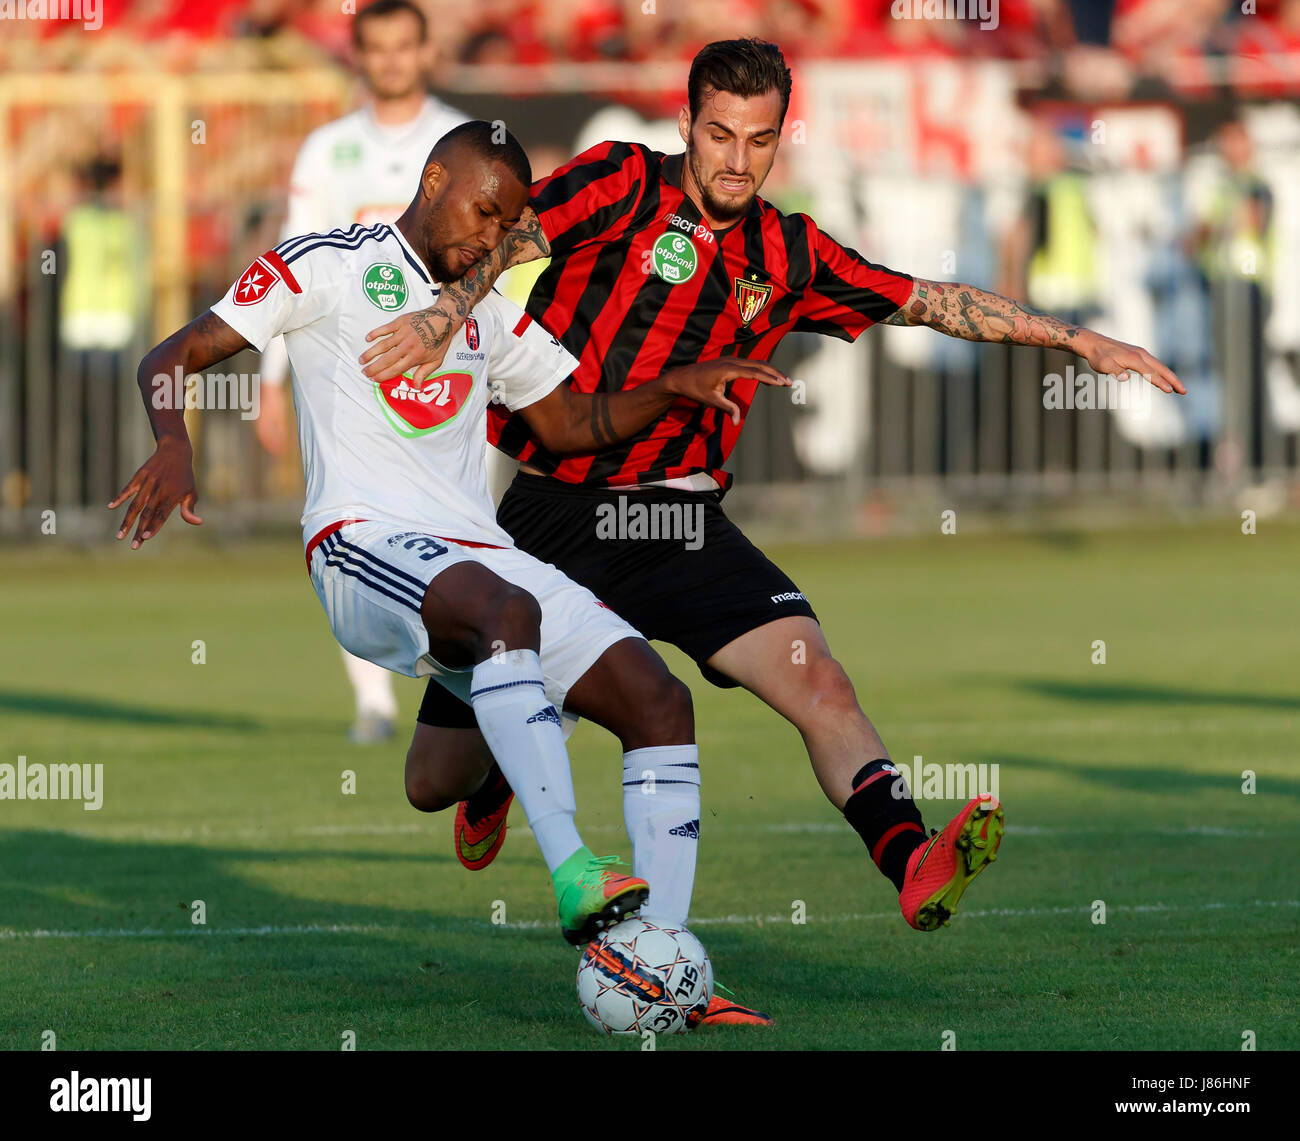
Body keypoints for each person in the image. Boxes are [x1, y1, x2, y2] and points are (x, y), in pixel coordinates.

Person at [358, 39, 1185, 969]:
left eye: (758, 140)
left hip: (683, 526)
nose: (737, 160)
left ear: (781, 140)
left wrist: (1078, 339)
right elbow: (513, 236)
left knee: (820, 679)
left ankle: (913, 859)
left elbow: (928, 302)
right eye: (719, 135)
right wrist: (444, 310)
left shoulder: (789, 251)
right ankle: (499, 770)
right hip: (558, 517)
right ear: (686, 126)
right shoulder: (621, 182)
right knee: (433, 781)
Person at [108, 122, 788, 978]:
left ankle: (662, 960)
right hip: (360, 542)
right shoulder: (325, 263)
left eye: (509, 229)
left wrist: (673, 385)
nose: (492, 240)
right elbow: (173, 354)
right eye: (483, 212)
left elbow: (570, 425)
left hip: (476, 555)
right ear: (433, 180)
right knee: (508, 613)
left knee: (657, 699)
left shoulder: (485, 312)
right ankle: (576, 870)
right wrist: (175, 440)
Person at [259, 0, 470, 746]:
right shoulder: (327, 150)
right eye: (375, 47)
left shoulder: (458, 139)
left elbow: (491, 253)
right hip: (347, 375)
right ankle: (374, 698)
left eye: (402, 47)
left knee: (455, 525)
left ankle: (459, 683)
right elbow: (287, 264)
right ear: (358, 54)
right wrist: (269, 379)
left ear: (424, 52)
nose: (389, 61)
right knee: (353, 526)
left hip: (446, 370)